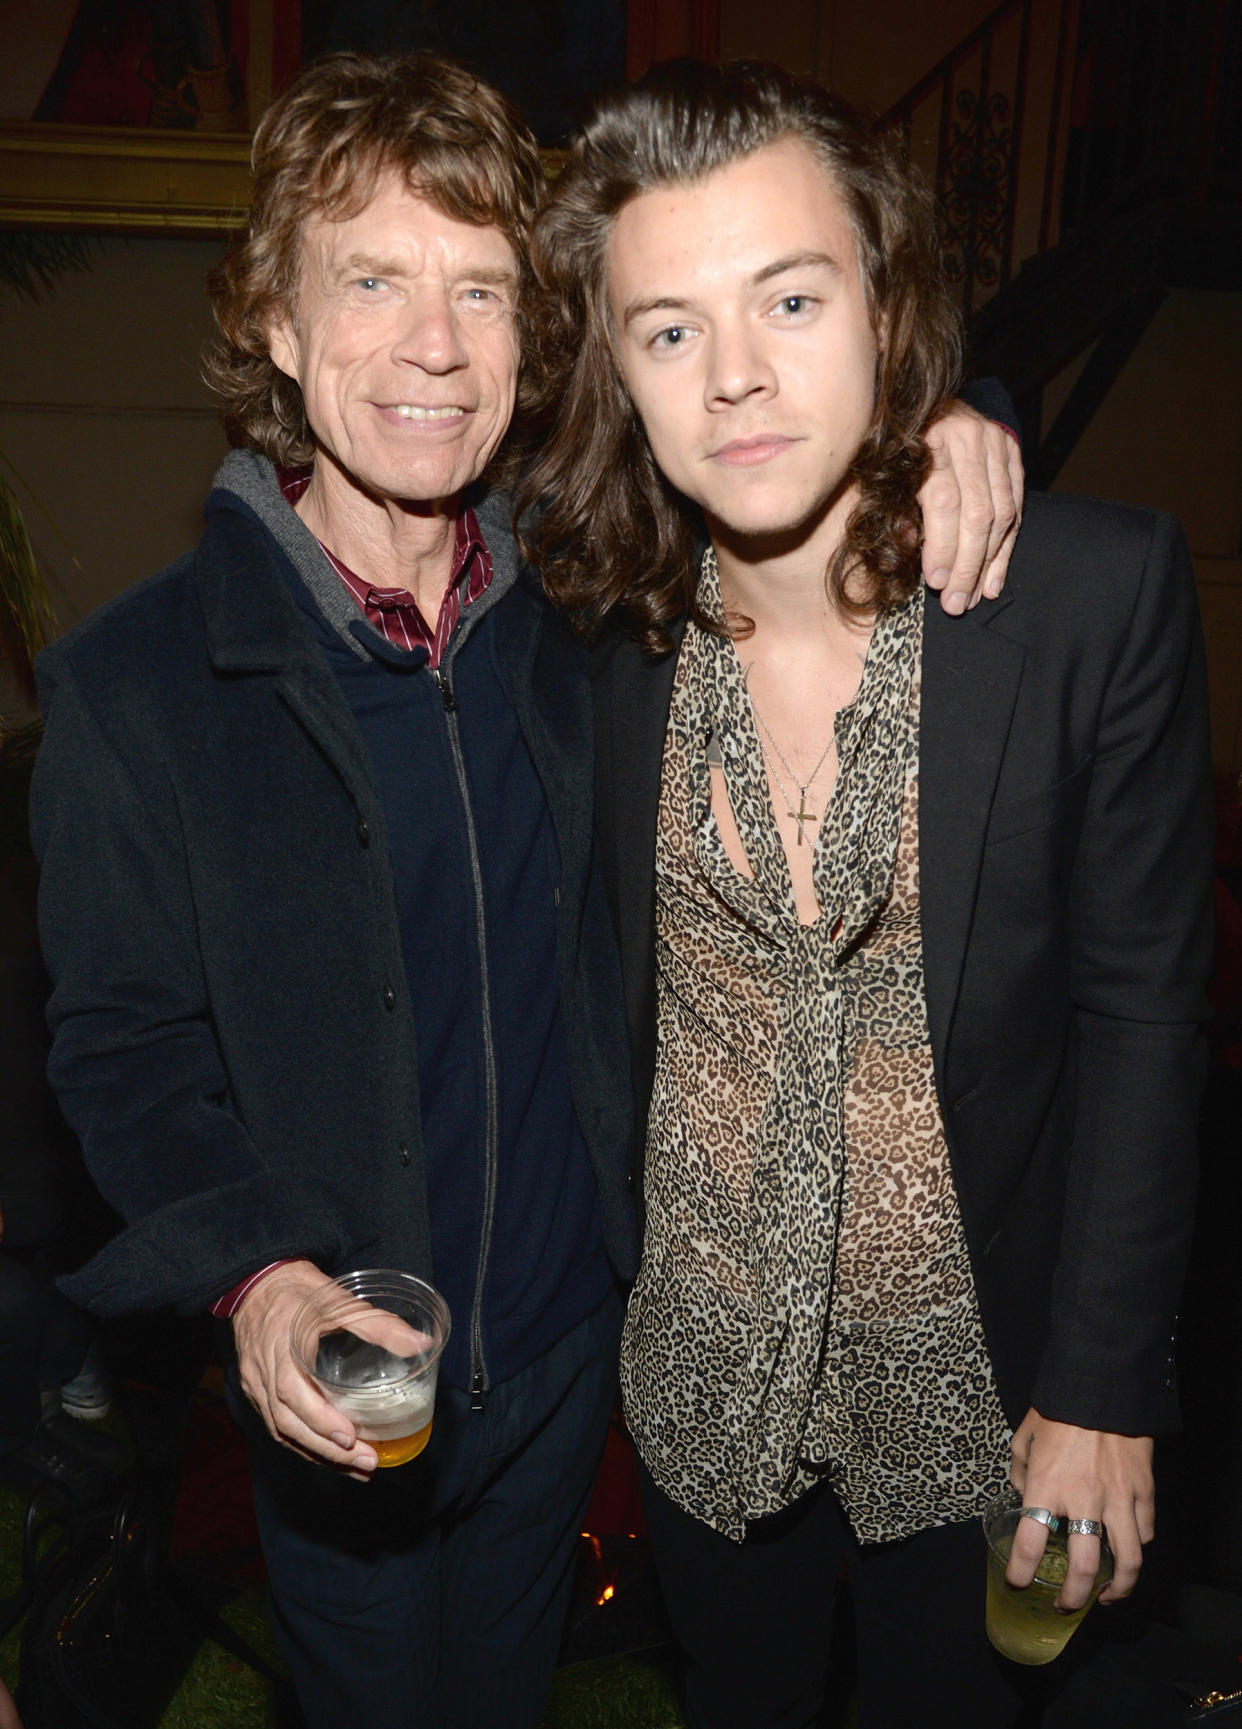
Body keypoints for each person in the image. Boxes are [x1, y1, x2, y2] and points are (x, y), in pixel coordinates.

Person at [30, 52, 1021, 1729]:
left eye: (482, 291)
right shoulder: (135, 693)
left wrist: (945, 415)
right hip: (346, 1387)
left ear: (529, 338)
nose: (434, 344)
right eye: (373, 281)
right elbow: (120, 1051)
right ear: (275, 321)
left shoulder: (585, 609)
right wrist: (262, 1278)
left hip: (570, 1357)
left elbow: (772, 408)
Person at [521, 59, 1214, 1728]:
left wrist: (1100, 1389)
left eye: (791, 297)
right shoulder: (586, 620)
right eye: (669, 329)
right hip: (700, 1380)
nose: (737, 377)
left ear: (885, 304)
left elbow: (1143, 1008)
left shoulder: (1080, 600)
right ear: (616, 369)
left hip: (976, 1387)